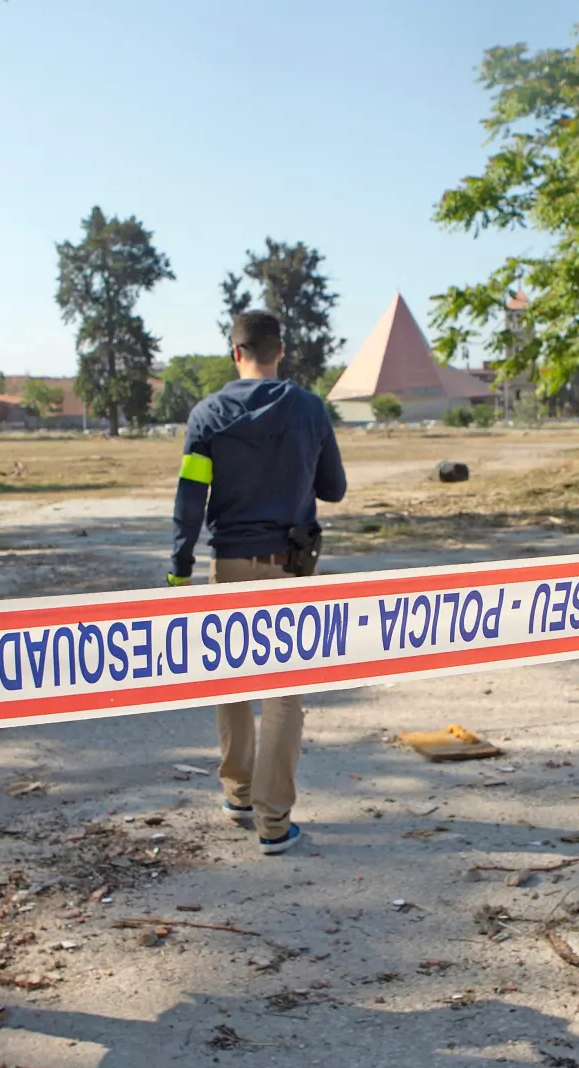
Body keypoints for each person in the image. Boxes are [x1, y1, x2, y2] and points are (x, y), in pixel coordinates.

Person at [169, 310, 347, 854]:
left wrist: (179, 569)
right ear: (281, 351)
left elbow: (190, 499)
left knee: (232, 680)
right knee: (283, 695)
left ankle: (239, 794)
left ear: (234, 351)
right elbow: (334, 489)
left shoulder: (206, 416)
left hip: (227, 565)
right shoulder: (309, 409)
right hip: (286, 567)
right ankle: (274, 822)